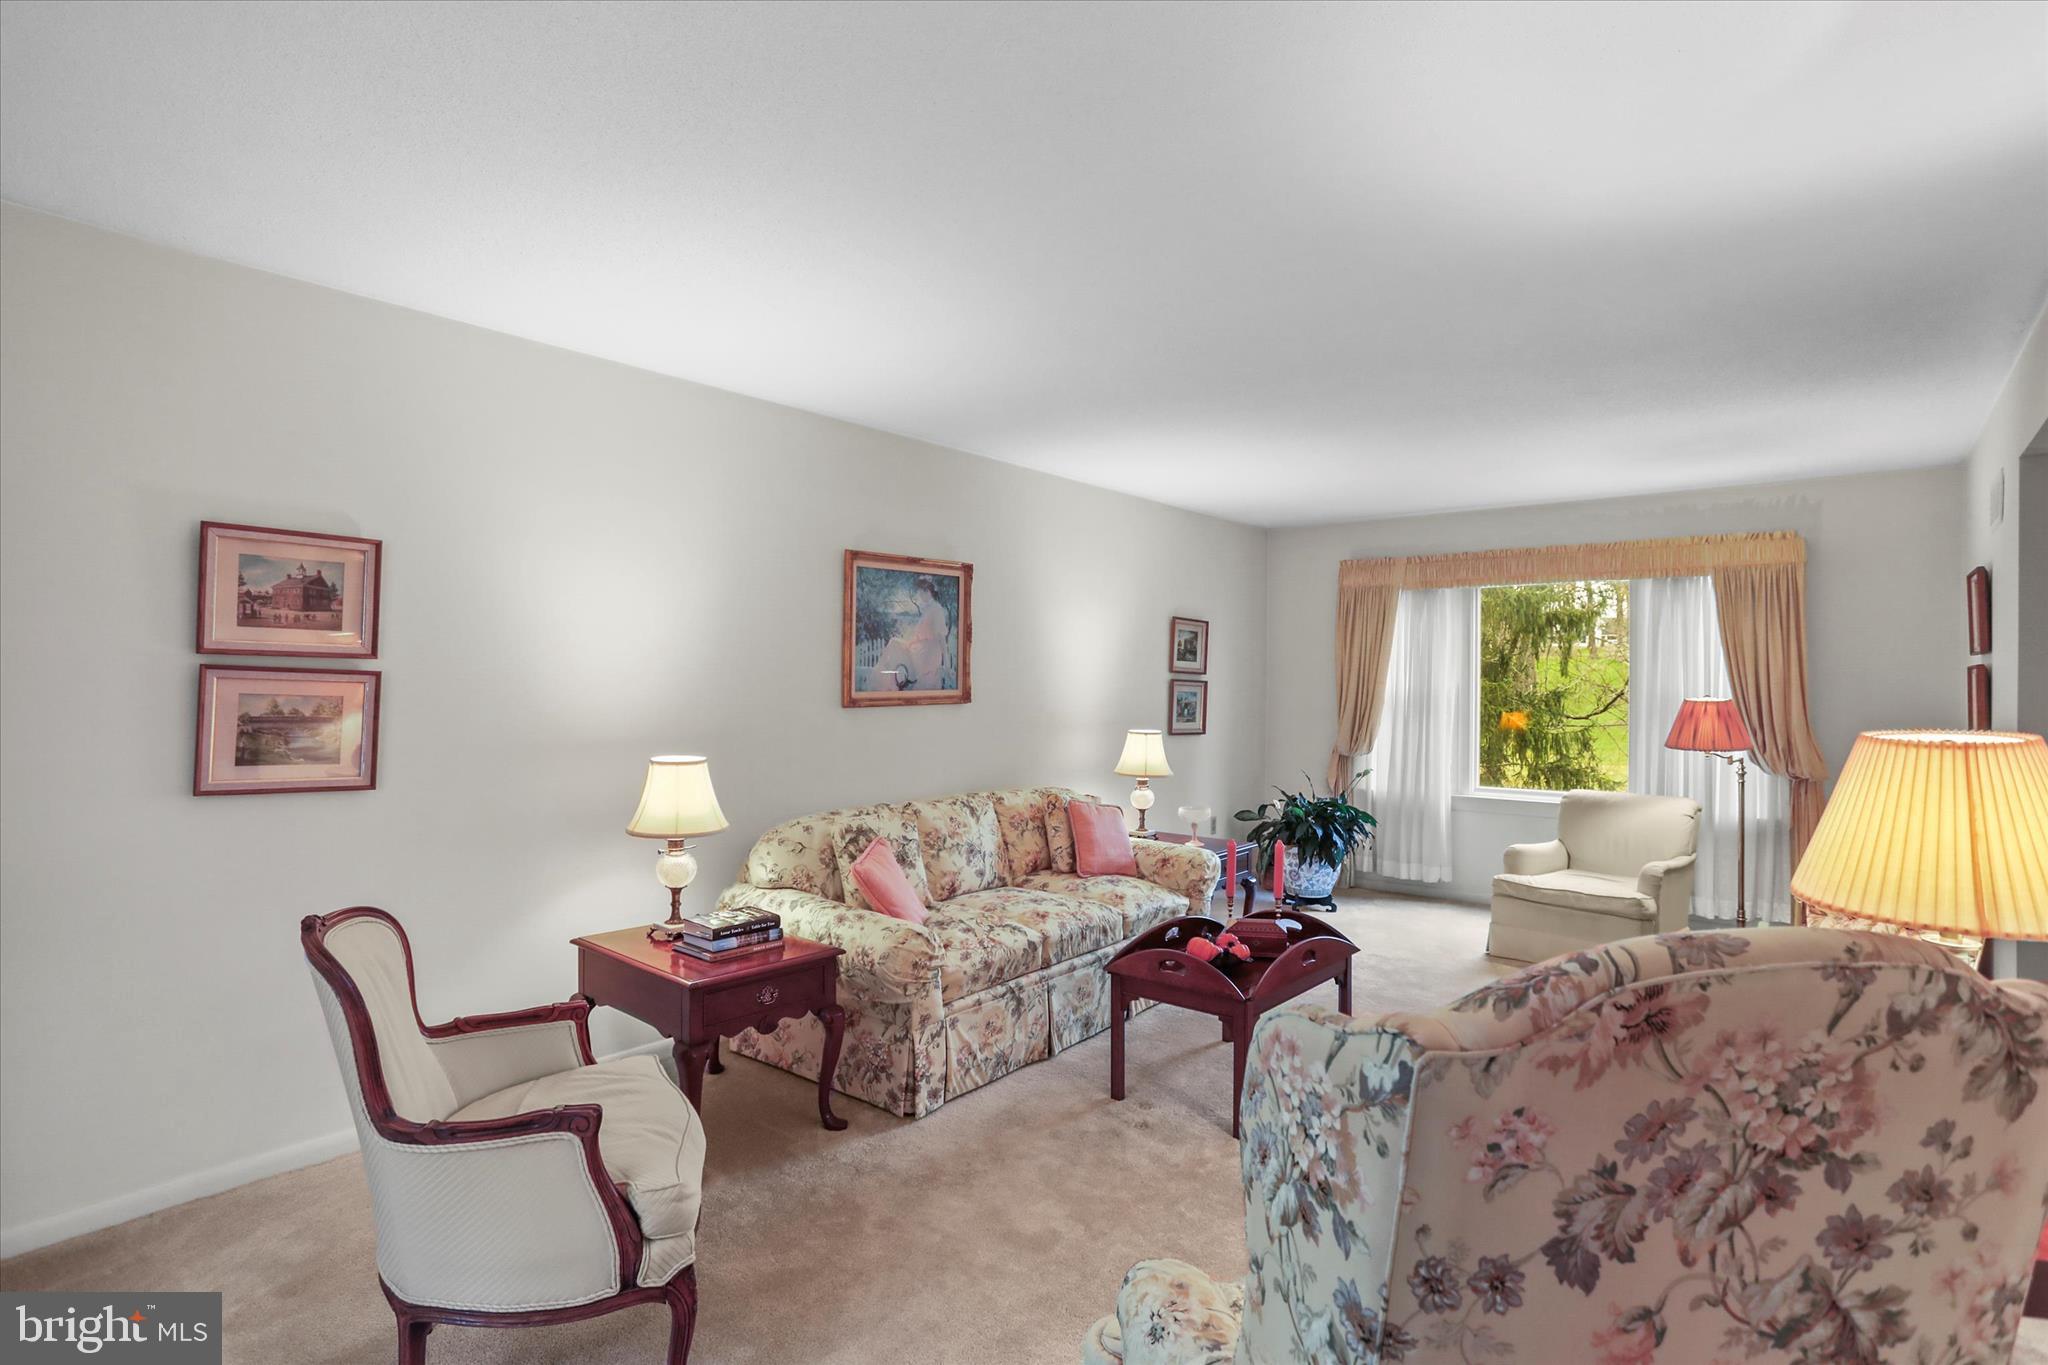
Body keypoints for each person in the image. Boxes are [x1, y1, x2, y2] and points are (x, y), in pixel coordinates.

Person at [873, 576, 951, 689]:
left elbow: (941, 637)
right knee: (894, 644)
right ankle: (891, 681)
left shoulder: (936, 609)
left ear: (927, 591)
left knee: (895, 645)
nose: (919, 595)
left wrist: (947, 663)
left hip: (927, 654)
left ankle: (893, 683)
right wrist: (910, 642)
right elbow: (921, 634)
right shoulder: (928, 609)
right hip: (920, 649)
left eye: (920, 592)